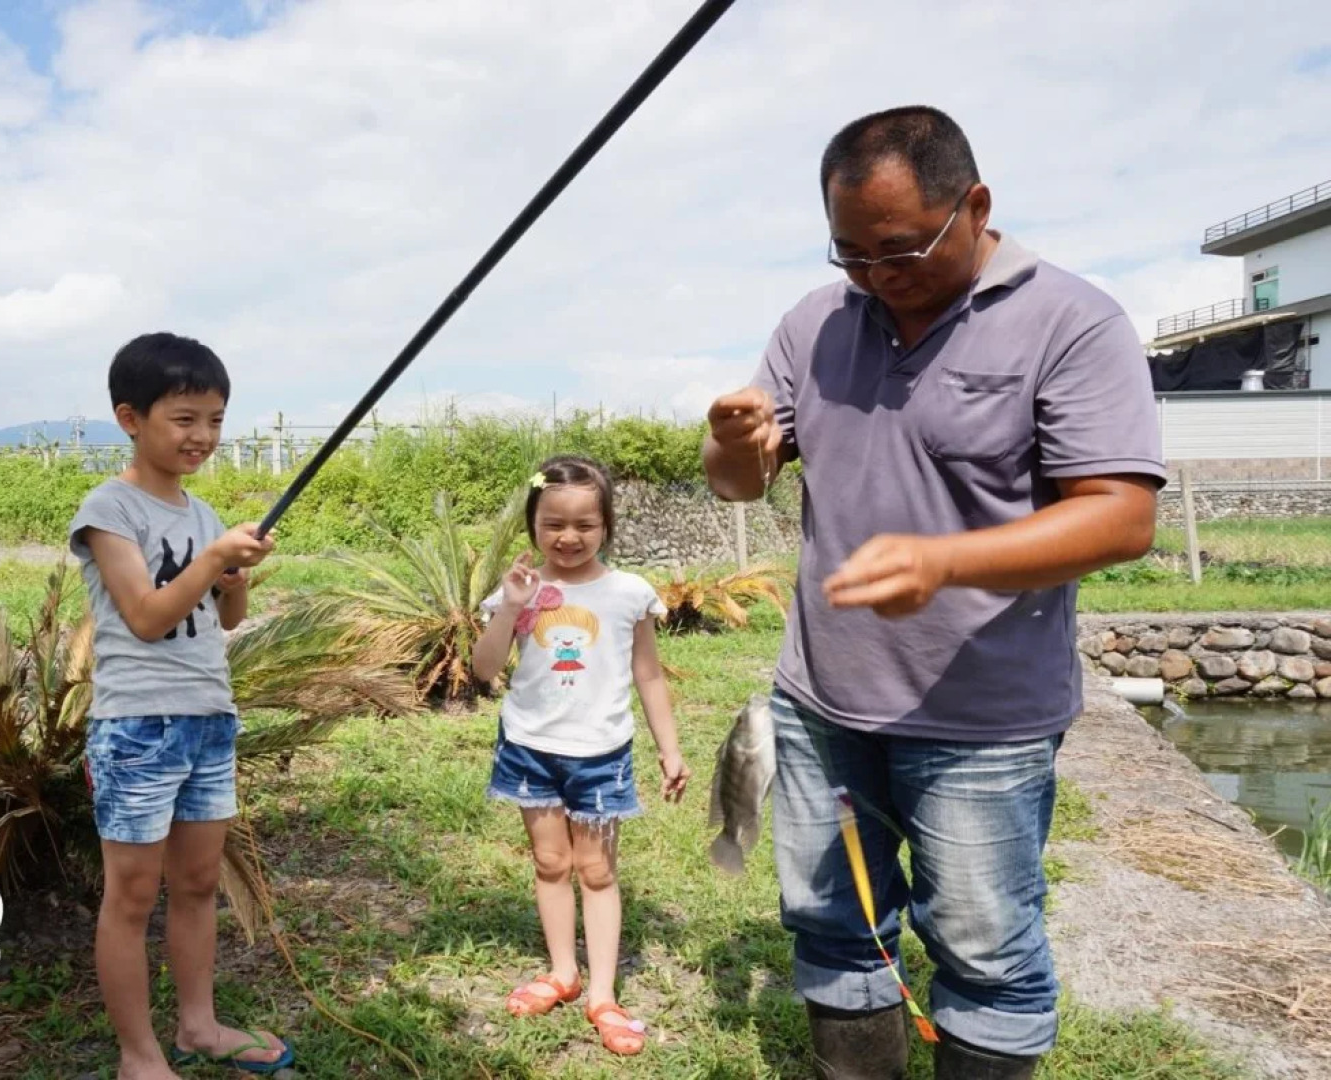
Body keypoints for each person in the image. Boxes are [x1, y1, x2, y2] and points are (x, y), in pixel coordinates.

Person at [703, 107, 1163, 1079]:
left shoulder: (1070, 322)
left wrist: (945, 561)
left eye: (899, 249)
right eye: (850, 255)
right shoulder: (811, 324)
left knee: (984, 952)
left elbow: (1119, 513)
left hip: (980, 723)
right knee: (833, 927)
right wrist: (732, 442)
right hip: (820, 705)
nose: (876, 276)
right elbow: (738, 480)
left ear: (974, 206)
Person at [69, 332, 292, 1078]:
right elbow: (145, 617)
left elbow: (219, 623)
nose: (202, 436)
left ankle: (198, 1027)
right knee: (131, 897)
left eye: (215, 420)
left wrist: (234, 582)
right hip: (137, 726)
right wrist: (211, 561)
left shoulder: (203, 512)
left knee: (197, 886)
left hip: (207, 717)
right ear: (130, 417)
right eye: (184, 418)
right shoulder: (108, 509)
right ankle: (140, 1055)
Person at [471, 455, 693, 1058]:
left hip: (600, 755)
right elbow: (483, 670)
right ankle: (562, 972)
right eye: (553, 524)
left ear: (606, 525)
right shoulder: (519, 592)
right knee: (549, 863)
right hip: (529, 750)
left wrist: (669, 749)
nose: (568, 538)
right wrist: (513, 607)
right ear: (533, 524)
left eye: (585, 525)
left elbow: (648, 677)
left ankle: (601, 993)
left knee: (595, 870)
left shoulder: (628, 594)